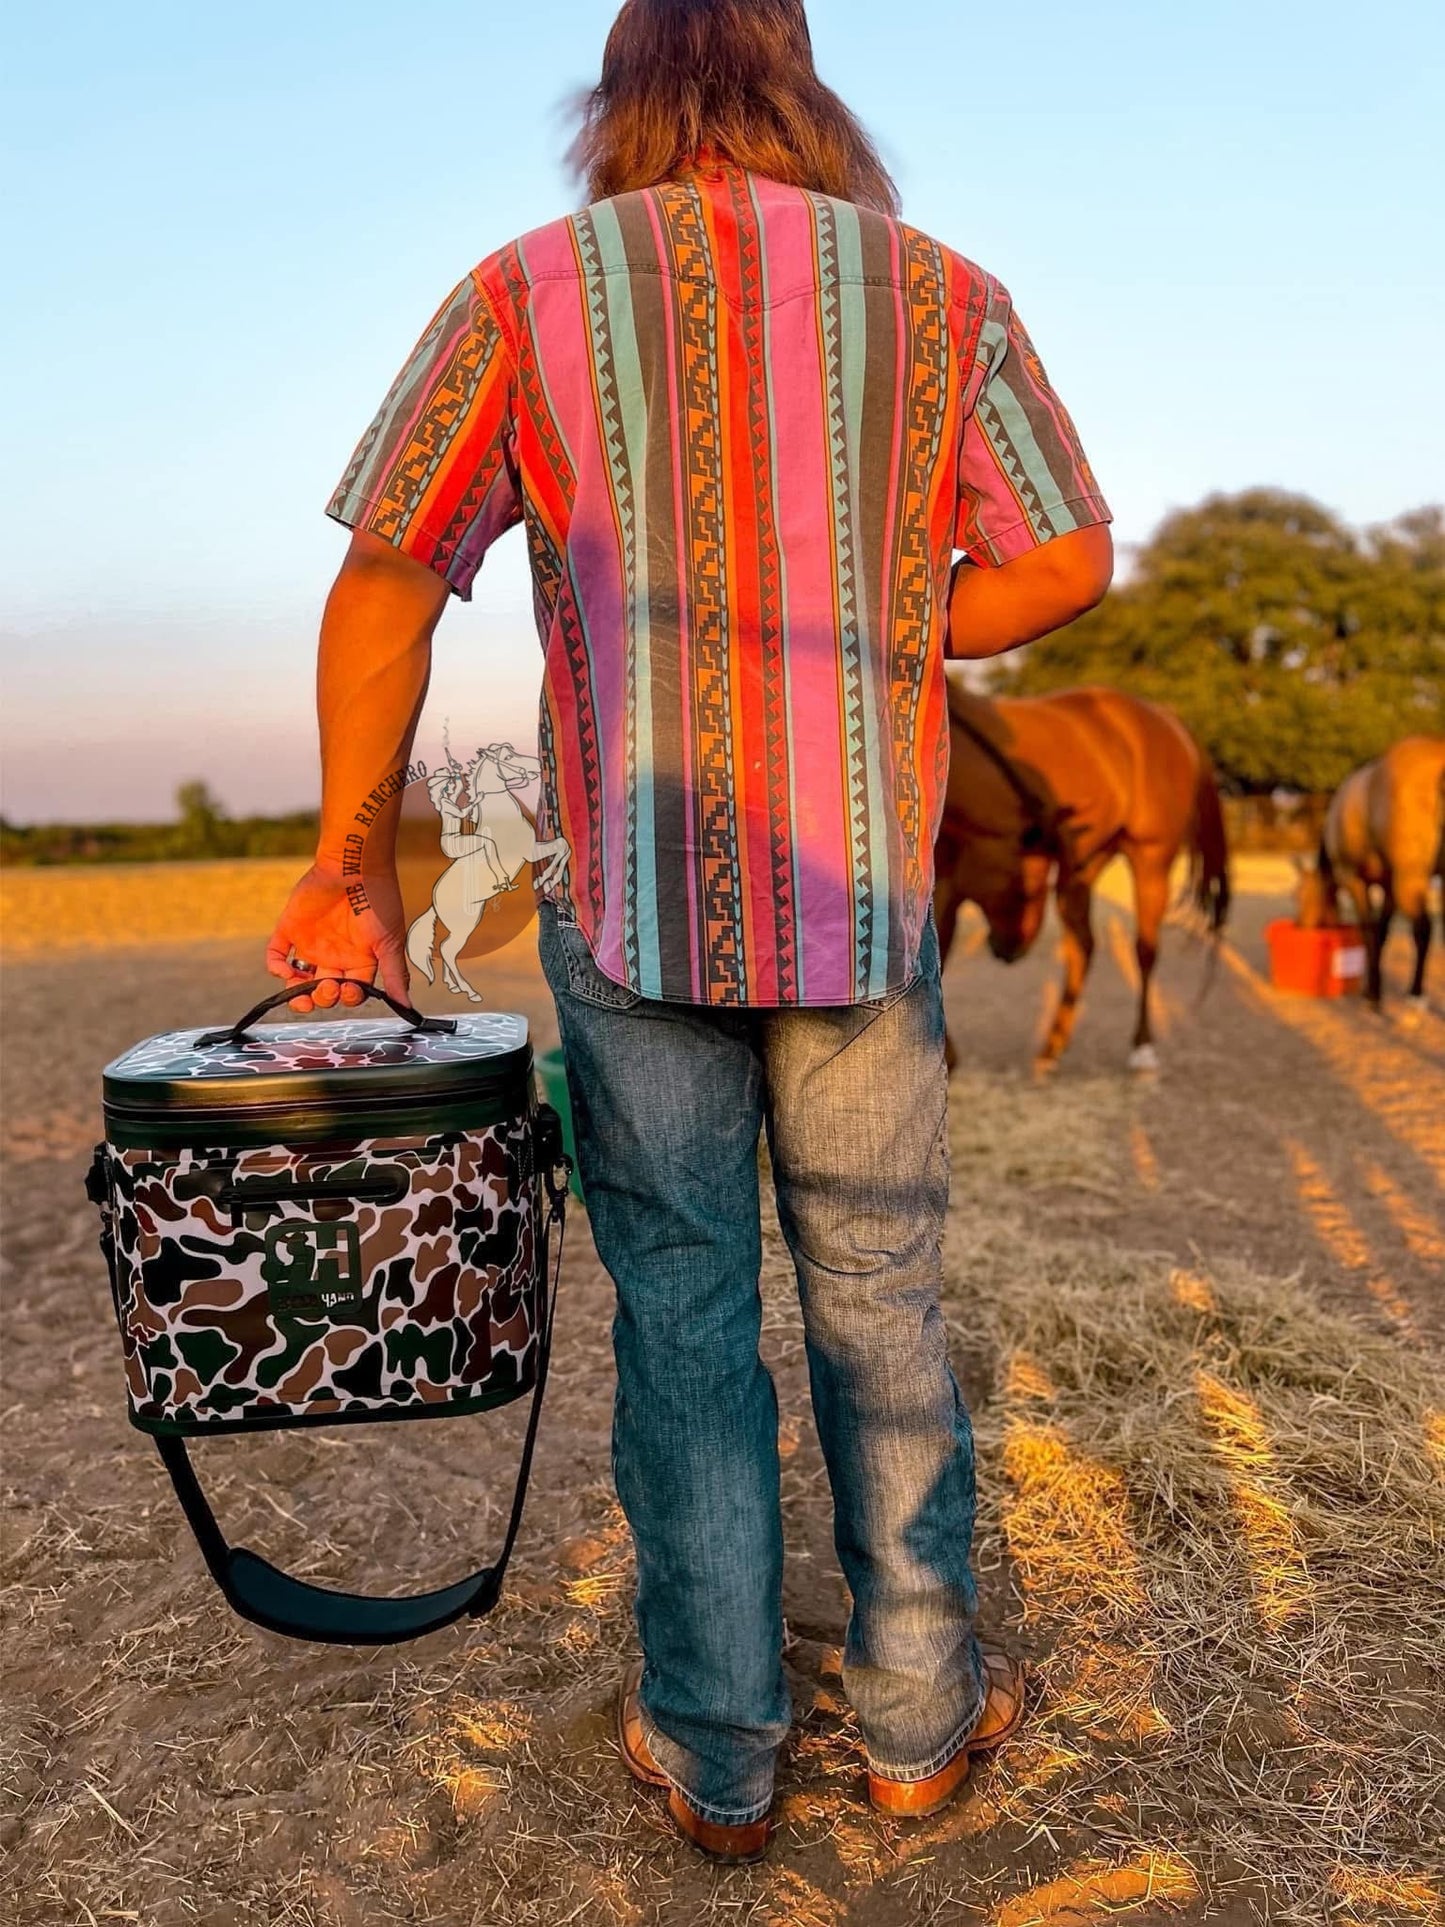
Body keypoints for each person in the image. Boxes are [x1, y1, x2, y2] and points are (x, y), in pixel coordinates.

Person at [266, 0, 1113, 1865]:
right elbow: (1063, 556)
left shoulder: (524, 287)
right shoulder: (943, 292)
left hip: (631, 902)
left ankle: (719, 1747)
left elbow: (390, 571)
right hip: (866, 897)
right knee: (881, 1305)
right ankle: (911, 1719)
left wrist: (356, 861)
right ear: (807, 85)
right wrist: (905, 620)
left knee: (683, 1318)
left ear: (620, 95)